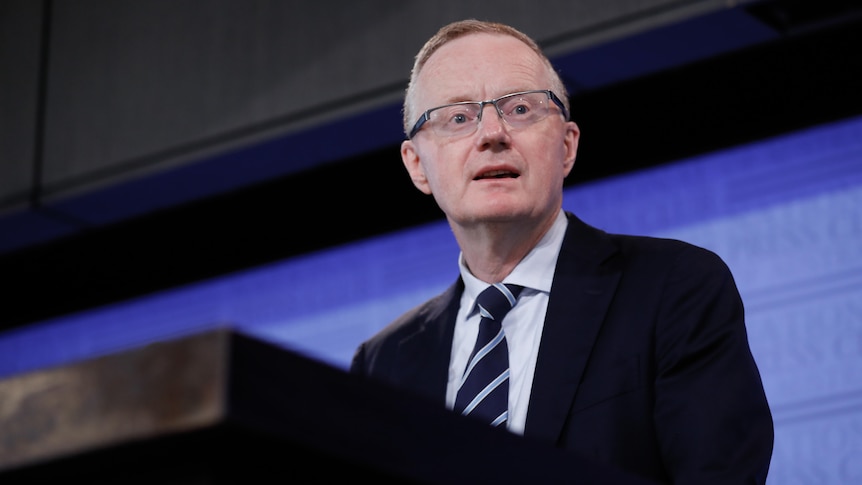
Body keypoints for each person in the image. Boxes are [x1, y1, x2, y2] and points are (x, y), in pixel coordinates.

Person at [350, 19, 773, 484]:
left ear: (567, 146)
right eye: (458, 117)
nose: (492, 133)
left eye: (520, 109)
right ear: (417, 166)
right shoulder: (383, 362)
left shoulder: (674, 286)